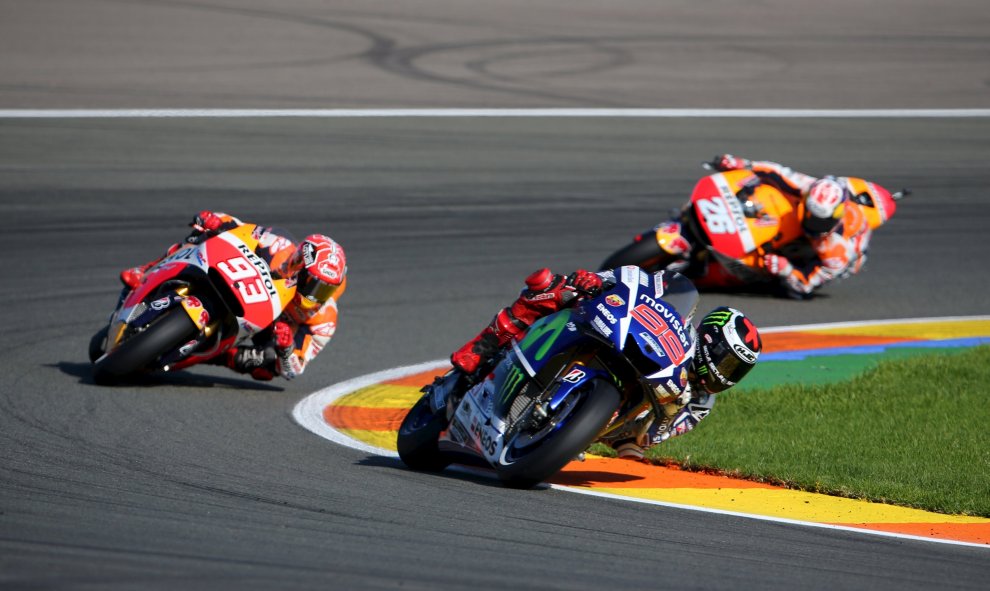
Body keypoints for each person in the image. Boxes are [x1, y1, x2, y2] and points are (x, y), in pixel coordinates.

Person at [446, 267, 762, 459]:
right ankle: (481, 348)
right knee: (554, 288)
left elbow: (653, 437)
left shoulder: (702, 402)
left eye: (737, 370)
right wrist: (596, 281)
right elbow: (638, 281)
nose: (727, 373)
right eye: (729, 362)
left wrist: (653, 425)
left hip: (615, 423)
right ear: (710, 343)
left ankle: (551, 431)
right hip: (617, 336)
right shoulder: (680, 324)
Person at [119, 211, 346, 381]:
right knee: (200, 235)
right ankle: (148, 268)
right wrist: (216, 222)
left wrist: (286, 349)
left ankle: (214, 355)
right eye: (314, 283)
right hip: (245, 286)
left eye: (325, 289)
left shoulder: (324, 321)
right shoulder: (280, 245)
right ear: (300, 264)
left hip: (266, 327)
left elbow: (293, 370)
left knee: (266, 367)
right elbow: (240, 228)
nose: (316, 294)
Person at [711, 154, 874, 299]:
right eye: (811, 216)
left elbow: (805, 284)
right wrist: (741, 164)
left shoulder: (838, 253)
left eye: (820, 221)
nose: (813, 225)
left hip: (835, 259)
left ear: (835, 218)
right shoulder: (809, 188)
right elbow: (776, 172)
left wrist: (786, 269)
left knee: (783, 288)